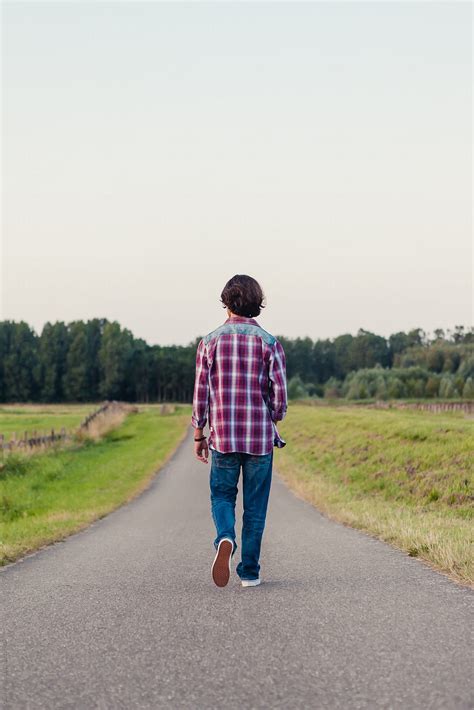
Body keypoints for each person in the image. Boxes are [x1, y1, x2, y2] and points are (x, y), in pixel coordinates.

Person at [191, 274, 288, 588]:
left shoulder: (209, 342)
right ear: (256, 303)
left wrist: (198, 433)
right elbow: (280, 397)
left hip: (223, 436)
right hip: (259, 438)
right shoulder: (269, 343)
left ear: (226, 303)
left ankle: (225, 538)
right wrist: (272, 416)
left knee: (222, 496)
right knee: (255, 508)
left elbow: (200, 393)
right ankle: (249, 573)